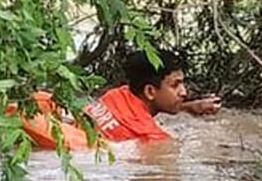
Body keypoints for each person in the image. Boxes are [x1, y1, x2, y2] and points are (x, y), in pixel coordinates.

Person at [14, 49, 222, 150]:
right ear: (150, 91)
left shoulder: (118, 94)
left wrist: (188, 107)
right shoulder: (150, 135)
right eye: (176, 85)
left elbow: (141, 111)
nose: (184, 92)